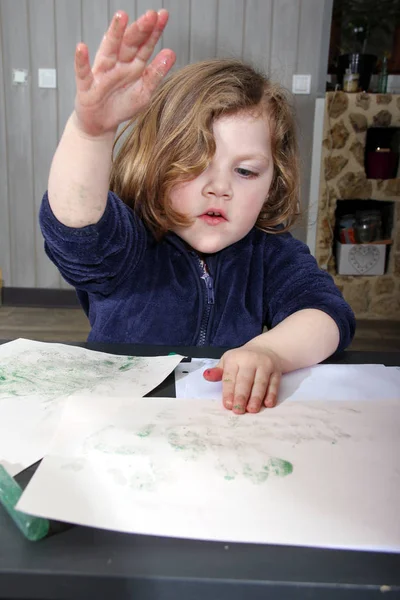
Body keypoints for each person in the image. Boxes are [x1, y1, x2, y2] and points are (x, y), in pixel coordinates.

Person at [39, 9, 355, 415]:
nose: (219, 187)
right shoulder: (128, 241)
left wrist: (270, 351)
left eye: (245, 171)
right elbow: (76, 227)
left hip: (218, 428)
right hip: (120, 425)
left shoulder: (270, 251)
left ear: (273, 182)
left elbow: (326, 312)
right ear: (157, 163)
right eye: (194, 164)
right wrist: (91, 133)